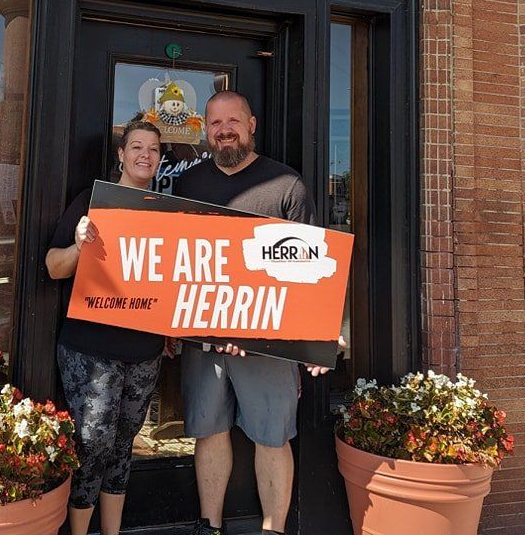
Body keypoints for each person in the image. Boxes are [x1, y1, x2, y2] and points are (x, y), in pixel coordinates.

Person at [175, 90, 333, 535]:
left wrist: (316, 339)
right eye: (215, 124)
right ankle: (210, 525)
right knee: (209, 431)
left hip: (268, 343)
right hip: (204, 337)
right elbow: (174, 263)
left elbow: (311, 268)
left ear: (252, 124)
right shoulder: (189, 185)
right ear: (206, 130)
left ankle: (273, 529)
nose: (224, 130)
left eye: (233, 121)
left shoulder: (287, 186)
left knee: (272, 436)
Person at [46, 119, 166, 535]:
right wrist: (79, 245)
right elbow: (53, 268)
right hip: (90, 349)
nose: (144, 155)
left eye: (153, 149)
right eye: (136, 146)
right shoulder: (91, 202)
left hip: (145, 351)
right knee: (92, 445)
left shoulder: (167, 213)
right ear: (120, 154)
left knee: (122, 446)